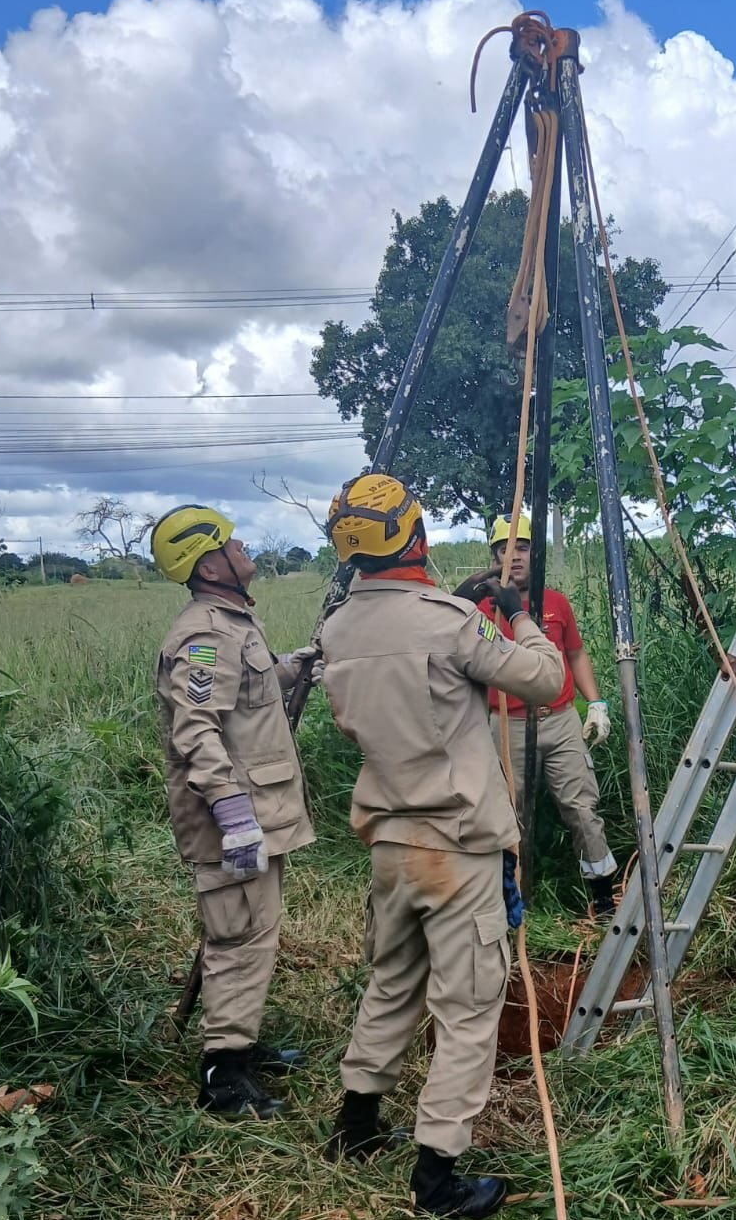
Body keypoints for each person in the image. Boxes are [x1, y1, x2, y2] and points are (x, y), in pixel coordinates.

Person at [320, 473, 563, 1219]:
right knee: (467, 1007)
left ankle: (356, 1126)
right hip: (457, 847)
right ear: (414, 537)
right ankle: (437, 1178)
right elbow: (545, 680)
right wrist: (517, 614)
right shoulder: (448, 620)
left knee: (392, 984)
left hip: (390, 842)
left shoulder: (336, 629)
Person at [151, 504, 319, 1120]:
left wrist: (286, 670)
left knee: (252, 932)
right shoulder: (205, 635)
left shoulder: (233, 623)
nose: (244, 545)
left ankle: (239, 1042)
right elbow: (196, 727)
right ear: (210, 563)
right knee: (236, 938)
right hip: (235, 818)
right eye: (230, 541)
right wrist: (231, 811)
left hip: (255, 810)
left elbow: (240, 696)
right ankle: (223, 1078)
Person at [454, 514, 618, 919]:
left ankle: (602, 899)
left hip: (558, 720)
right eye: (504, 550)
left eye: (522, 547)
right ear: (494, 556)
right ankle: (512, 901)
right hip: (505, 724)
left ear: (535, 552)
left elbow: (575, 653)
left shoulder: (555, 603)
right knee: (509, 814)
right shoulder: (479, 609)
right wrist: (481, 587)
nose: (514, 557)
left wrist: (595, 703)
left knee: (581, 808)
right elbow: (444, 625)